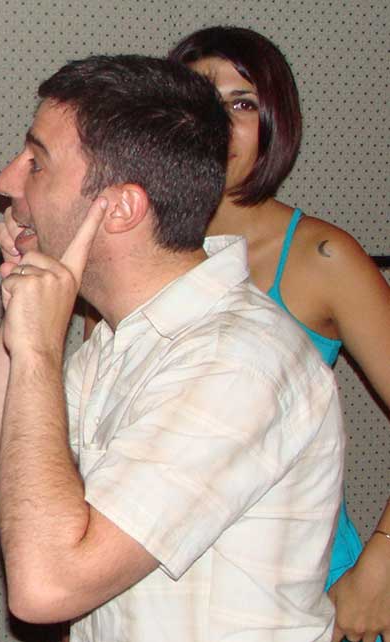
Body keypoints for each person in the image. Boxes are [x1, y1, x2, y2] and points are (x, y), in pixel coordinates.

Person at [0, 54, 344, 640]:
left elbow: (46, 587)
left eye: (37, 162)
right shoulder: (129, 333)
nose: (7, 181)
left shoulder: (237, 361)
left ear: (120, 208)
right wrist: (24, 301)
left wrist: (39, 350)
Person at [168, 27, 390, 642]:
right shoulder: (129, 252)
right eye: (199, 99)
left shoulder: (322, 256)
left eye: (241, 103)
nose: (218, 123)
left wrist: (379, 571)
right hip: (163, 594)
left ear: (274, 122)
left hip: (304, 596)